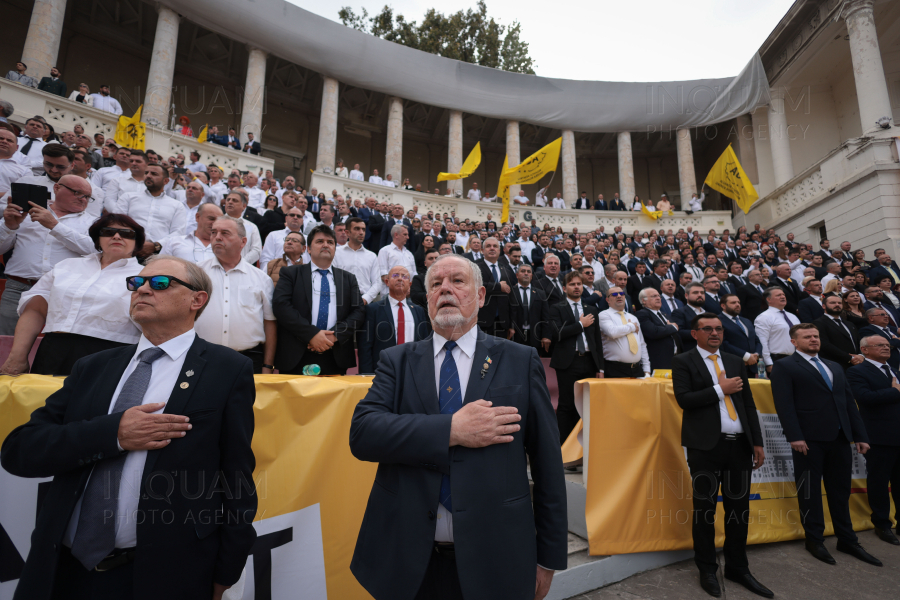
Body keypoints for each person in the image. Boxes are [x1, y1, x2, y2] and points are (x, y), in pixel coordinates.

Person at [0, 255, 257, 599]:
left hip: (162, 576)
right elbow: (21, 451)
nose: (143, 289)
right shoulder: (92, 368)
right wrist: (114, 435)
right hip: (62, 572)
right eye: (136, 283)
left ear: (197, 300)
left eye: (160, 283)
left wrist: (227, 569)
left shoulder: (228, 370)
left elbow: (236, 478)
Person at [349, 253, 566, 600]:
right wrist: (451, 429)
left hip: (497, 559)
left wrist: (550, 556)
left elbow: (548, 465)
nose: (445, 289)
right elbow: (363, 433)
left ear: (480, 296)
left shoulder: (519, 360)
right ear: (427, 300)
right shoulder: (396, 361)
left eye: (458, 281)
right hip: (406, 561)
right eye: (436, 284)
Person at [671, 313, 770, 599]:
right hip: (705, 447)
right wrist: (719, 389)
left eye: (718, 329)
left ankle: (738, 568)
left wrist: (757, 442)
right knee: (705, 510)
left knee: (740, 511)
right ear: (695, 333)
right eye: (707, 329)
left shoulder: (735, 360)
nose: (714, 333)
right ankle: (706, 568)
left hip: (740, 445)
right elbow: (684, 400)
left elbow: (748, 404)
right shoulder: (683, 361)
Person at [770, 324, 880, 567]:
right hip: (808, 441)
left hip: (840, 438)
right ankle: (814, 539)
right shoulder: (784, 366)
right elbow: (784, 404)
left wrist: (860, 435)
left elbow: (849, 403)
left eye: (816, 336)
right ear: (794, 342)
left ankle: (847, 539)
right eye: (807, 337)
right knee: (809, 493)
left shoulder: (834, 366)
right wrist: (794, 436)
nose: (813, 340)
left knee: (840, 492)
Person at [1, 214, 145, 376]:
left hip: (111, 355)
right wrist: (17, 357)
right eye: (108, 231)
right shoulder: (67, 265)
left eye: (127, 234)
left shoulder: (145, 275)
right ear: (98, 239)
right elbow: (35, 310)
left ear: (137, 242)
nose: (117, 236)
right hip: (54, 350)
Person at [0, 173, 95, 335]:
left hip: (64, 292)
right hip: (18, 288)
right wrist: (9, 226)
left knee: (54, 349)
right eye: (77, 193)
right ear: (57, 188)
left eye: (88, 197)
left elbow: (93, 250)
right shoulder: (24, 213)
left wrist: (55, 226)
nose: (83, 199)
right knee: (6, 342)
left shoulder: (92, 222)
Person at [272, 225, 365, 375]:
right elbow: (281, 306)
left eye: (330, 242)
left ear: (335, 248)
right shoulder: (291, 273)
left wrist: (335, 335)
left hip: (335, 354)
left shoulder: (348, 278)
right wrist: (312, 335)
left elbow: (358, 312)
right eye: (320, 241)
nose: (325, 245)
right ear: (308, 248)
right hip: (297, 353)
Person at [195, 216, 276, 375]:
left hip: (248, 359)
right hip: (201, 357)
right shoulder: (196, 273)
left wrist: (268, 365)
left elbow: (270, 324)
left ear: (243, 242)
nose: (217, 237)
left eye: (225, 233)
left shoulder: (261, 279)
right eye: (214, 232)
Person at [846, 336, 900, 545]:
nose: (886, 347)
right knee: (879, 482)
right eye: (880, 345)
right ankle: (882, 524)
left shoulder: (894, 369)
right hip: (879, 435)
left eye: (887, 345)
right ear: (865, 350)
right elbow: (864, 397)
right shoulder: (856, 371)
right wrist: (894, 391)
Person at [358, 265, 431, 373]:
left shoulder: (418, 311)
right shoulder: (373, 310)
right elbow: (365, 346)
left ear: (410, 284)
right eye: (395, 275)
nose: (400, 278)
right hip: (382, 371)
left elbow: (424, 344)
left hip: (412, 370)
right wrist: (366, 374)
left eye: (404, 276)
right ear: (387, 282)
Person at [117, 164, 186, 255]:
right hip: (128, 250)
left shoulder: (177, 205)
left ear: (166, 181)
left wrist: (156, 245)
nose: (148, 176)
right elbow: (117, 223)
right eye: (146, 173)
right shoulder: (128, 197)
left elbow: (178, 232)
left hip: (159, 254)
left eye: (154, 174)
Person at [598, 285, 650, 378]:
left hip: (637, 369)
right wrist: (631, 326)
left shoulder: (632, 317)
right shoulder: (604, 315)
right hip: (615, 369)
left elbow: (641, 343)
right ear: (607, 300)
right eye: (614, 294)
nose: (619, 296)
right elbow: (612, 332)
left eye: (622, 293)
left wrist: (647, 369)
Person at [476, 237, 515, 338]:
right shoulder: (475, 267)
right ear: (482, 250)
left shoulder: (506, 269)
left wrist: (511, 325)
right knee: (483, 353)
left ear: (499, 250)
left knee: (500, 353)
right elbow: (475, 286)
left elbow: (511, 298)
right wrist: (498, 286)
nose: (492, 248)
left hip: (502, 322)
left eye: (495, 246)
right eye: (488, 246)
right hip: (481, 321)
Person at [755, 287, 800, 373]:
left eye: (783, 294)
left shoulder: (793, 316)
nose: (782, 297)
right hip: (777, 359)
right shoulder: (764, 317)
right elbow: (763, 342)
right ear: (769, 299)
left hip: (797, 358)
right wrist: (768, 363)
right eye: (778, 295)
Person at [636, 288, 682, 371]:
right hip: (659, 360)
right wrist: (672, 327)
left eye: (659, 296)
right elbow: (653, 332)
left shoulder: (665, 315)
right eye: (654, 296)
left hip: (675, 358)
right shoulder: (642, 314)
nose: (658, 298)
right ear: (644, 300)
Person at [813, 295, 863, 370]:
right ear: (824, 306)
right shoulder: (818, 323)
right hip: (836, 365)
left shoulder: (849, 324)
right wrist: (849, 358)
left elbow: (859, 341)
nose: (837, 305)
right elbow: (824, 344)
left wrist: (861, 355)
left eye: (839, 303)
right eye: (833, 303)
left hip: (857, 363)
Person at [222, 190, 262, 265]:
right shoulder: (216, 223)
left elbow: (256, 250)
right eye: (228, 200)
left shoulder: (251, 227)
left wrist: (240, 263)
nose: (230, 202)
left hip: (243, 269)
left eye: (235, 200)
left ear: (244, 206)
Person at [672, 282, 708, 352]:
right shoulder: (679, 312)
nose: (700, 295)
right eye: (695, 293)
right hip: (691, 352)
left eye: (702, 293)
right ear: (686, 296)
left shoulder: (708, 313)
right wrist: (702, 333)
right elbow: (679, 332)